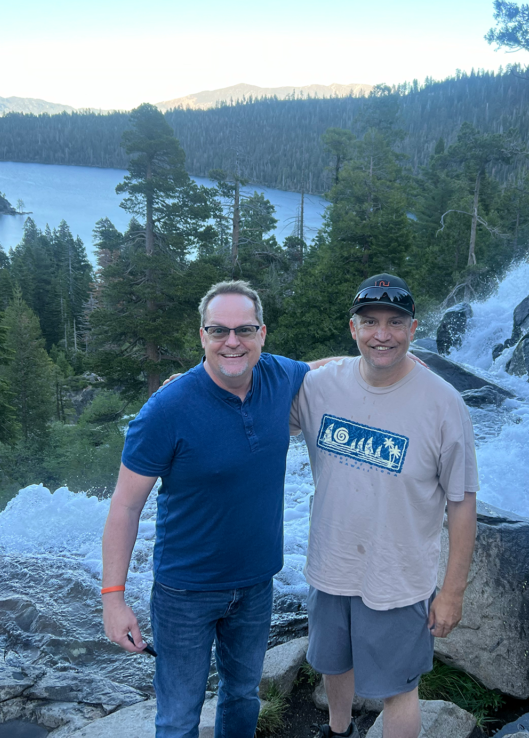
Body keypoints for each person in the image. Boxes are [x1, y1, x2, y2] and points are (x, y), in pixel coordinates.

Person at [101, 280, 334, 738]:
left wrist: (397, 363)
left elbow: (325, 369)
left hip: (256, 583)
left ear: (262, 334)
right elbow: (125, 507)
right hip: (185, 592)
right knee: (178, 717)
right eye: (219, 331)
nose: (232, 342)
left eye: (244, 330)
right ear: (202, 336)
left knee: (243, 696)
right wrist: (113, 598)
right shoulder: (165, 409)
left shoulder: (278, 376)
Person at [289, 274, 479, 738]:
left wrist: (451, 592)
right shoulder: (319, 386)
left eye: (395, 322)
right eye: (369, 321)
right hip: (330, 564)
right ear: (353, 328)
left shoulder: (443, 404)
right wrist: (197, 382)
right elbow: (252, 395)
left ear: (413, 329)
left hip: (398, 577)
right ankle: (339, 731)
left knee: (398, 690)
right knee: (334, 663)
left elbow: (462, 502)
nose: (382, 334)